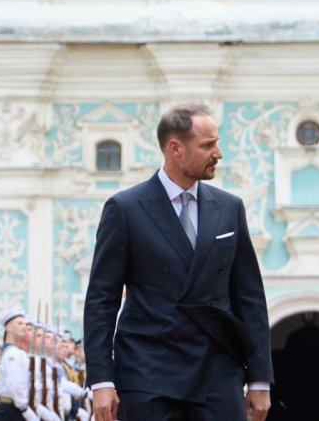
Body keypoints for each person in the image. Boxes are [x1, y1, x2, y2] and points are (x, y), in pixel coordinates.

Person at [83, 104, 273, 421]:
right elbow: (101, 300)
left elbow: (250, 299)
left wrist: (259, 378)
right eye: (208, 145)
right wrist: (102, 380)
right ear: (176, 148)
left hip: (218, 371)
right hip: (148, 373)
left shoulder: (229, 208)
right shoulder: (125, 209)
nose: (219, 153)